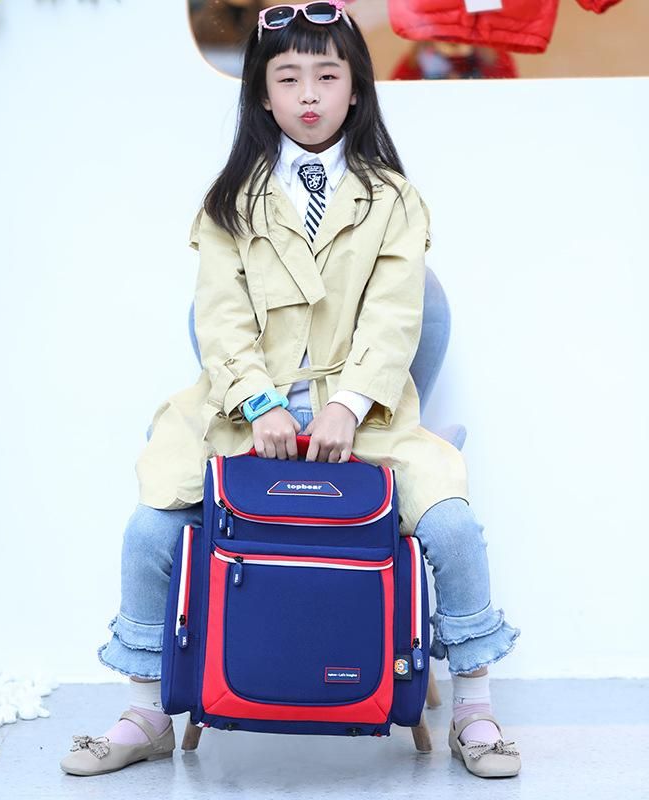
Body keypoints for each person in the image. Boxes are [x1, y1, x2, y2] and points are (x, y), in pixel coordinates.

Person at [60, 0, 521, 781]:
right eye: (289, 77)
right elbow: (220, 317)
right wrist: (259, 402)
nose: (309, 93)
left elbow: (396, 316)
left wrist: (348, 403)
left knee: (452, 527)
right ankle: (145, 712)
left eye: (327, 75)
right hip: (240, 415)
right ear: (263, 94)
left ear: (356, 89)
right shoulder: (229, 202)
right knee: (149, 530)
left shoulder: (393, 200)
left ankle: (474, 710)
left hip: (367, 417)